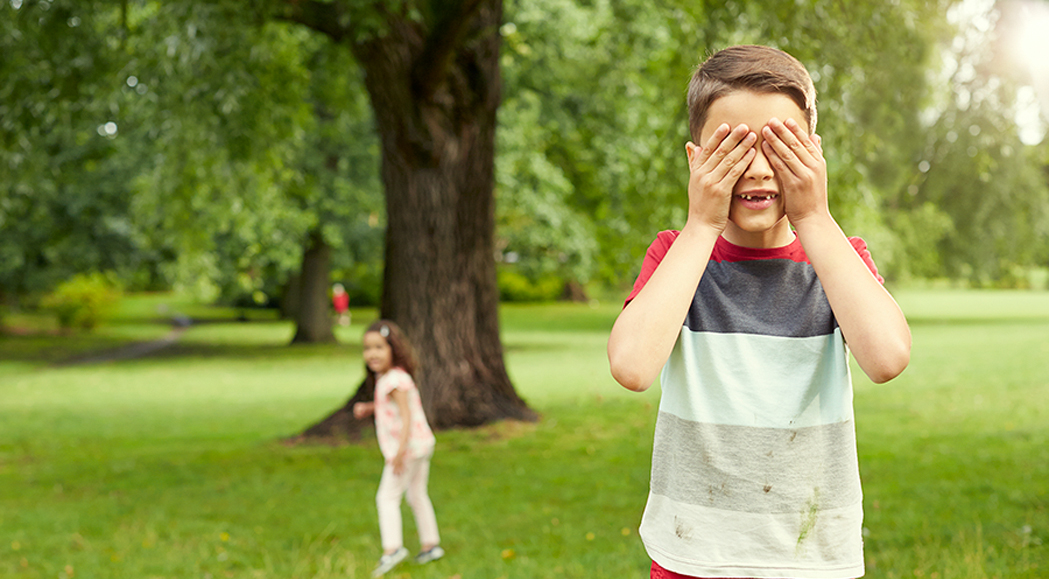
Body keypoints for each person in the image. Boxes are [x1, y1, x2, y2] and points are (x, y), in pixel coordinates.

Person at [607, 45, 911, 579]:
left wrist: (814, 215)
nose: (758, 170)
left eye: (780, 147)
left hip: (811, 556)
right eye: (733, 149)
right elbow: (632, 367)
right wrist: (701, 224)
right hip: (692, 554)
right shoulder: (677, 256)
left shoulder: (839, 260)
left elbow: (887, 359)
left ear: (813, 154)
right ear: (696, 159)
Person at [352, 320, 443, 577]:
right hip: (421, 445)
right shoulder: (392, 378)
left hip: (408, 449)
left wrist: (399, 453)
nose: (372, 354)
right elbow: (391, 405)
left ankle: (392, 549)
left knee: (386, 497)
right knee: (416, 495)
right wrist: (369, 408)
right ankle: (430, 544)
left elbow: (406, 417)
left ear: (394, 349)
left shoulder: (395, 380)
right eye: (367, 348)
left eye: (379, 347)